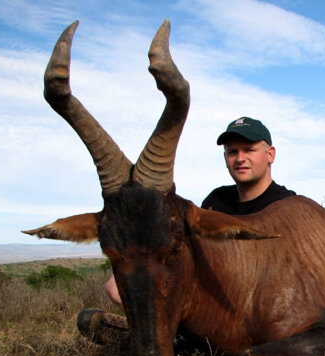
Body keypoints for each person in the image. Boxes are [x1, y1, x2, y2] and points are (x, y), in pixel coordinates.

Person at [103, 116, 295, 305]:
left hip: (261, 300)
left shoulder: (287, 204)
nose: (240, 159)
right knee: (115, 287)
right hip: (211, 297)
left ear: (270, 154)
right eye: (232, 152)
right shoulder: (215, 201)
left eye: (249, 150)